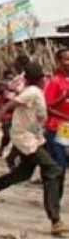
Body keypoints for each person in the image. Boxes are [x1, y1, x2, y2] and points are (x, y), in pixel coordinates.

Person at [0, 62, 66, 237]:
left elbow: (46, 111)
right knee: (52, 169)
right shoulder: (31, 92)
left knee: (25, 173)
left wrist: (65, 117)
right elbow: (5, 107)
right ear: (41, 78)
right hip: (25, 138)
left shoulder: (37, 94)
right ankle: (55, 220)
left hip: (35, 137)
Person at [44, 47, 69, 204]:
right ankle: (54, 202)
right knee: (60, 166)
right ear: (59, 61)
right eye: (66, 59)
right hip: (59, 128)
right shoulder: (54, 82)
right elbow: (47, 107)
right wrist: (63, 97)